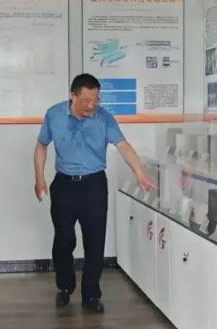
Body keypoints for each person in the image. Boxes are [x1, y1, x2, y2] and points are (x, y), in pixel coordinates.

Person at [34, 74, 155, 313]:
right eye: (86, 100)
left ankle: (91, 294)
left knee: (95, 241)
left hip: (94, 186)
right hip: (64, 185)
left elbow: (123, 145)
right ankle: (65, 286)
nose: (91, 105)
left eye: (96, 100)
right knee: (64, 239)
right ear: (73, 96)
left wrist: (139, 172)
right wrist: (39, 178)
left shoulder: (104, 118)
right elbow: (41, 145)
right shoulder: (54, 115)